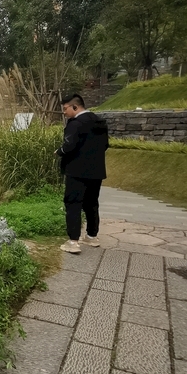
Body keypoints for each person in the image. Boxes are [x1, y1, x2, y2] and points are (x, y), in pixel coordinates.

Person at [56, 93, 109, 255]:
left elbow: (69, 146)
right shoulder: (100, 122)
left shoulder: (75, 124)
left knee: (73, 204)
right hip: (96, 171)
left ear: (75, 107)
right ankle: (92, 237)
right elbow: (105, 145)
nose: (64, 112)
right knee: (91, 203)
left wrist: (59, 151)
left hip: (76, 171)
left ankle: (73, 242)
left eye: (65, 109)